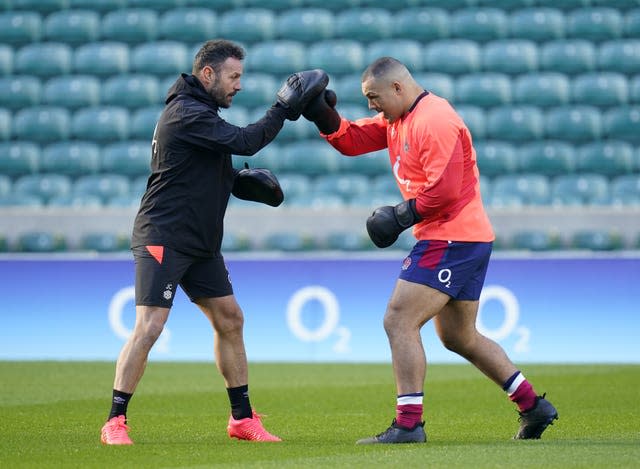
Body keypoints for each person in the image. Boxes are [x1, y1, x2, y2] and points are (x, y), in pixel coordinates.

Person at [302, 57, 558, 444]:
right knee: (459, 337)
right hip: (463, 237)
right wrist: (320, 113)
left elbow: (446, 190)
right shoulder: (399, 120)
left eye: (374, 97)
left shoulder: (434, 119)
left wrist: (400, 215)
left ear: (398, 89)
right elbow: (353, 140)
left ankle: (408, 424)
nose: (371, 106)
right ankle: (532, 406)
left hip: (450, 237)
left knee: (398, 319)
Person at [100, 39, 329, 445]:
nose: (238, 85)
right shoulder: (186, 112)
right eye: (234, 76)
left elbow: (200, 165)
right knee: (150, 326)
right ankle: (115, 421)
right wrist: (283, 108)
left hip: (200, 242)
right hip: (164, 237)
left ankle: (242, 419)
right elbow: (245, 141)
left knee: (230, 319)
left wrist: (234, 182)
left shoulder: (199, 112)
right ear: (208, 74)